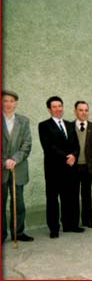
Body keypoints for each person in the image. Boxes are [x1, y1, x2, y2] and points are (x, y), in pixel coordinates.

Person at [38, 96, 82, 238]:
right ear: (49, 109)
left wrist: (74, 155)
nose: (58, 109)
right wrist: (66, 157)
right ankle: (54, 228)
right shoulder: (44, 126)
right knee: (52, 199)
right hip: (54, 169)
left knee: (70, 197)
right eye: (54, 107)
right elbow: (49, 147)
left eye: (60, 106)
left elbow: (76, 144)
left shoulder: (70, 125)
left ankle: (71, 225)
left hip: (70, 168)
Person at [2, 90, 34, 243]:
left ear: (16, 103)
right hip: (2, 169)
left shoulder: (23, 121)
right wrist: (4, 161)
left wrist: (15, 159)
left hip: (18, 168)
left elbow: (27, 144)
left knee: (18, 203)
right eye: (5, 101)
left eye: (11, 101)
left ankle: (18, 232)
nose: (8, 104)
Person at [73, 101, 92, 229]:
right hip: (73, 167)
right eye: (80, 110)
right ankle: (74, 222)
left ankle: (87, 220)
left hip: (87, 166)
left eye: (86, 110)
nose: (83, 113)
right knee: (73, 194)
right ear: (75, 111)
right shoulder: (70, 126)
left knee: (87, 194)